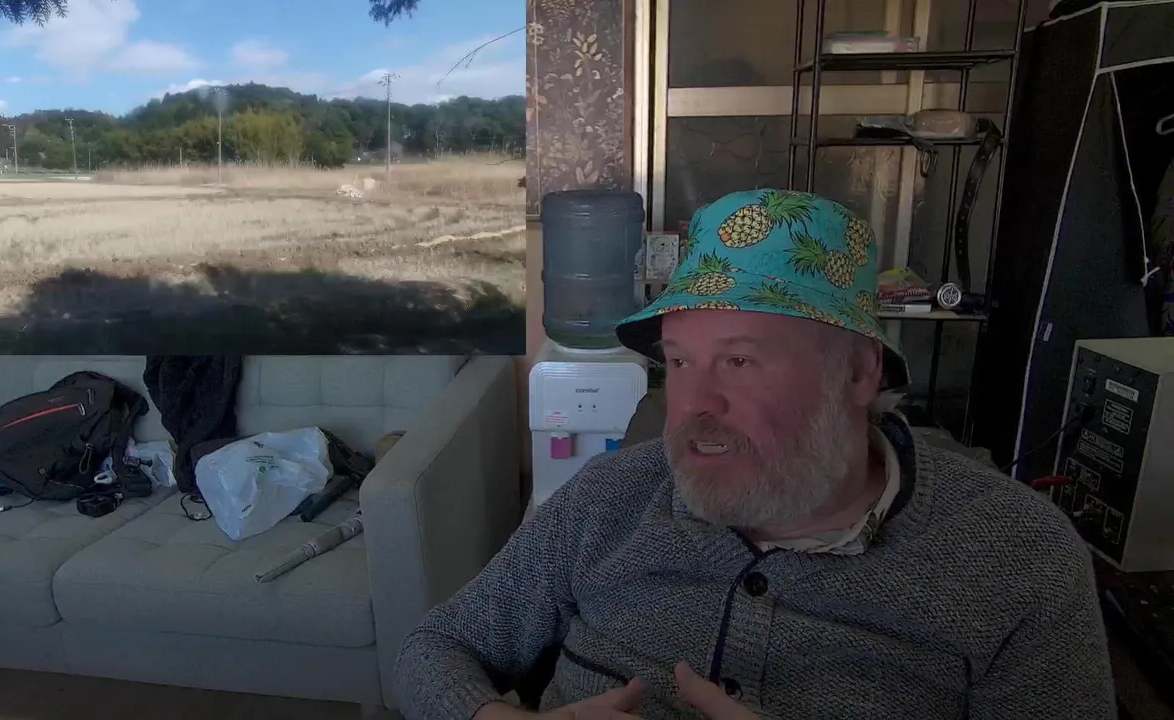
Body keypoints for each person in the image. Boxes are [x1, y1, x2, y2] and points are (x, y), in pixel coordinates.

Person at [394, 190, 1116, 719]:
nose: (695, 405)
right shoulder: (608, 499)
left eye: (739, 362)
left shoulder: (1017, 556)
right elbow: (434, 648)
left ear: (858, 373)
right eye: (679, 362)